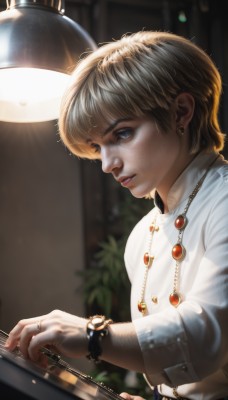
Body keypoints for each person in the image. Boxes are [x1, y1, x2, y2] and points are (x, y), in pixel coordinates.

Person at [5, 31, 228, 400]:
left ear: (181, 112)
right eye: (97, 146)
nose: (107, 164)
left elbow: (207, 335)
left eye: (122, 134)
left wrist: (93, 334)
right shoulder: (142, 235)